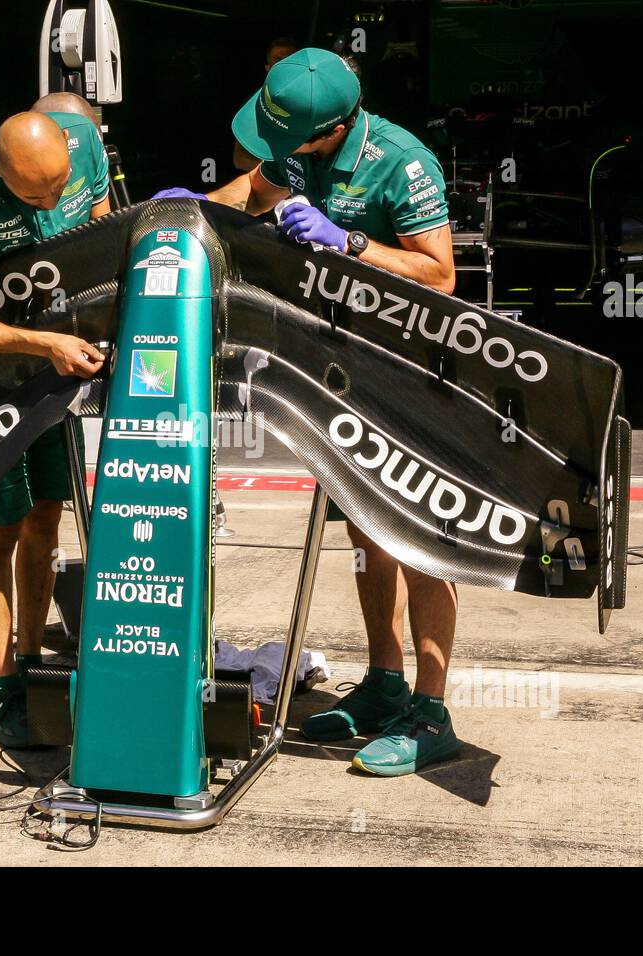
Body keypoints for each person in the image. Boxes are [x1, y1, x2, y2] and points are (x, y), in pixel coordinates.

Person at [154, 48, 460, 776]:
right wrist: (180, 211)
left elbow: (441, 275)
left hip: (406, 371)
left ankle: (432, 709)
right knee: (366, 530)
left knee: (418, 538)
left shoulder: (402, 163)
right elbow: (241, 195)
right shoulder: (292, 153)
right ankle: (384, 683)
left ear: (331, 130)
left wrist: (349, 243)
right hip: (337, 370)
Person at [0, 110, 111, 747]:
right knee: (0, 528)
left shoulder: (83, 147)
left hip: (57, 371)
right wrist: (40, 341)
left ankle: (34, 659)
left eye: (59, 184)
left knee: (47, 518)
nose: (52, 200)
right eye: (36, 195)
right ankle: (4, 682)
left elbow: (101, 230)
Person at [232, 36, 300, 172]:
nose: (285, 65)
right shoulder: (256, 103)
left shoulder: (313, 101)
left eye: (291, 59)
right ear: (268, 67)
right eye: (278, 60)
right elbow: (240, 160)